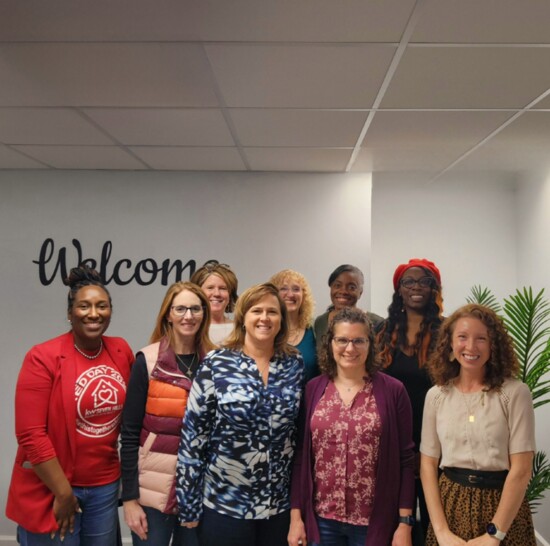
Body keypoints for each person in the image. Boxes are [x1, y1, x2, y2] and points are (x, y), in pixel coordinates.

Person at [6, 265, 134, 546]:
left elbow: (134, 414)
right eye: (84, 306)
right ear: (69, 313)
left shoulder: (121, 350)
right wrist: (63, 493)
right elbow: (30, 434)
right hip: (54, 486)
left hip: (105, 486)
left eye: (102, 306)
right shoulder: (43, 357)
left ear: (110, 310)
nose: (93, 313)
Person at [176, 282, 304, 546]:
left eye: (273, 312)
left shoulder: (294, 364)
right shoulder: (217, 363)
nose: (265, 318)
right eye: (257, 311)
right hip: (225, 505)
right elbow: (193, 437)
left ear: (281, 319)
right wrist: (188, 503)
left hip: (277, 506)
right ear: (243, 317)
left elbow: (297, 435)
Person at [289, 307, 415, 546]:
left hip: (374, 522)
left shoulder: (393, 391)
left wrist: (404, 522)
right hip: (322, 518)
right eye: (342, 340)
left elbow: (405, 460)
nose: (350, 348)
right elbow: (300, 457)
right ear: (330, 343)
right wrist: (296, 518)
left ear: (370, 344)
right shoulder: (313, 389)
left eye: (359, 341)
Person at [420, 304, 536, 546]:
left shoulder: (514, 393)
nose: (471, 347)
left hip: (503, 508)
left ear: (493, 345)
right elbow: (428, 465)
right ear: (450, 344)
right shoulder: (436, 395)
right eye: (462, 337)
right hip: (449, 504)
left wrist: (495, 534)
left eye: (481, 338)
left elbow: (522, 469)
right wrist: (441, 532)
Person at [120, 281, 214, 546]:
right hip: (152, 490)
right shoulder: (147, 362)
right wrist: (129, 499)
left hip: (200, 490)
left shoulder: (217, 363)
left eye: (195, 309)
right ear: (168, 315)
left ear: (204, 315)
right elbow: (128, 435)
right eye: (181, 308)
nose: (188, 316)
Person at [376, 258, 444, 543]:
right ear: (399, 290)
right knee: (393, 523)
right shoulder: (382, 333)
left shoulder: (447, 333)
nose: (416, 287)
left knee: (434, 521)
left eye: (424, 281)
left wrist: (427, 451)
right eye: (409, 281)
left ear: (434, 289)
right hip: (392, 441)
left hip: (437, 444)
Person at [314, 264, 382, 350]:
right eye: (337, 285)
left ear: (360, 292)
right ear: (331, 288)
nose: (343, 291)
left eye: (351, 287)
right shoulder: (320, 322)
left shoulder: (377, 323)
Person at [269, 269, 319, 382]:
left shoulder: (314, 330)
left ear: (304, 295)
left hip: (311, 399)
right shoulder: (265, 330)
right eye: (283, 289)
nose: (290, 294)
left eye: (296, 289)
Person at [190, 260, 238, 345]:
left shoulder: (239, 330)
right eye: (210, 288)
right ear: (197, 292)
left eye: (223, 288)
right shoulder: (188, 328)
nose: (216, 294)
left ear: (230, 294)